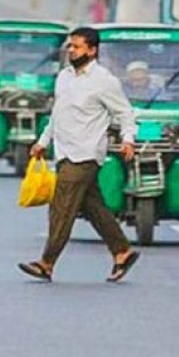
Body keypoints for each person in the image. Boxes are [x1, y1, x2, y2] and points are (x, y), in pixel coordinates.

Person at [20, 27, 141, 283]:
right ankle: (122, 251)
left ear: (92, 50)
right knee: (93, 206)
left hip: (85, 153)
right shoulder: (64, 77)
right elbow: (57, 113)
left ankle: (47, 262)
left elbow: (125, 113)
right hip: (63, 151)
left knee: (61, 208)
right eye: (70, 46)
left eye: (76, 46)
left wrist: (128, 139)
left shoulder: (104, 81)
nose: (71, 50)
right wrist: (43, 141)